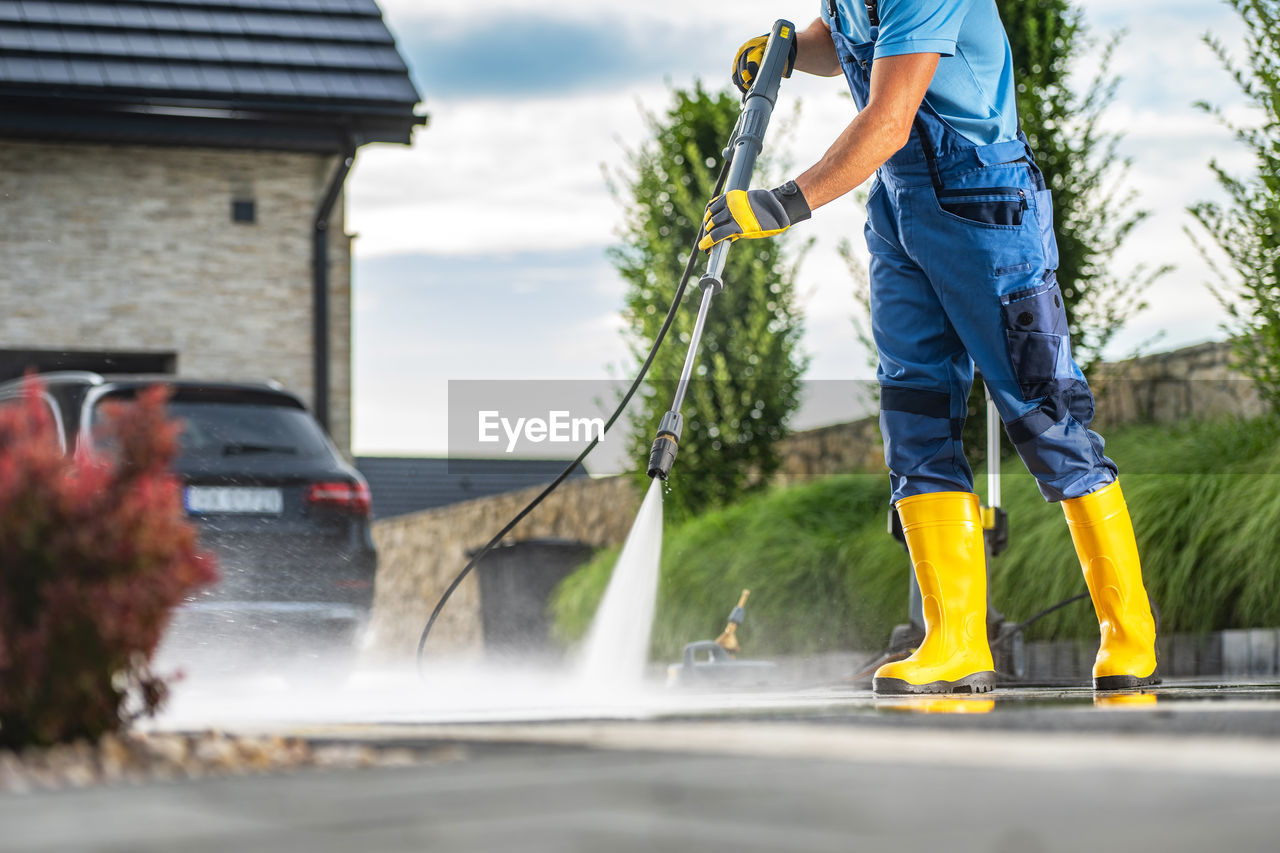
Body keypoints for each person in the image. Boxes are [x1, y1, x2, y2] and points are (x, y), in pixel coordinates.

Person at [703, 0, 1158, 695]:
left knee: (1046, 416)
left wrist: (784, 202)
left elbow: (887, 119)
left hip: (985, 203)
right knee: (915, 420)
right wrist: (795, 52)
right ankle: (953, 639)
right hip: (901, 208)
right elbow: (851, 41)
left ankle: (1129, 633)